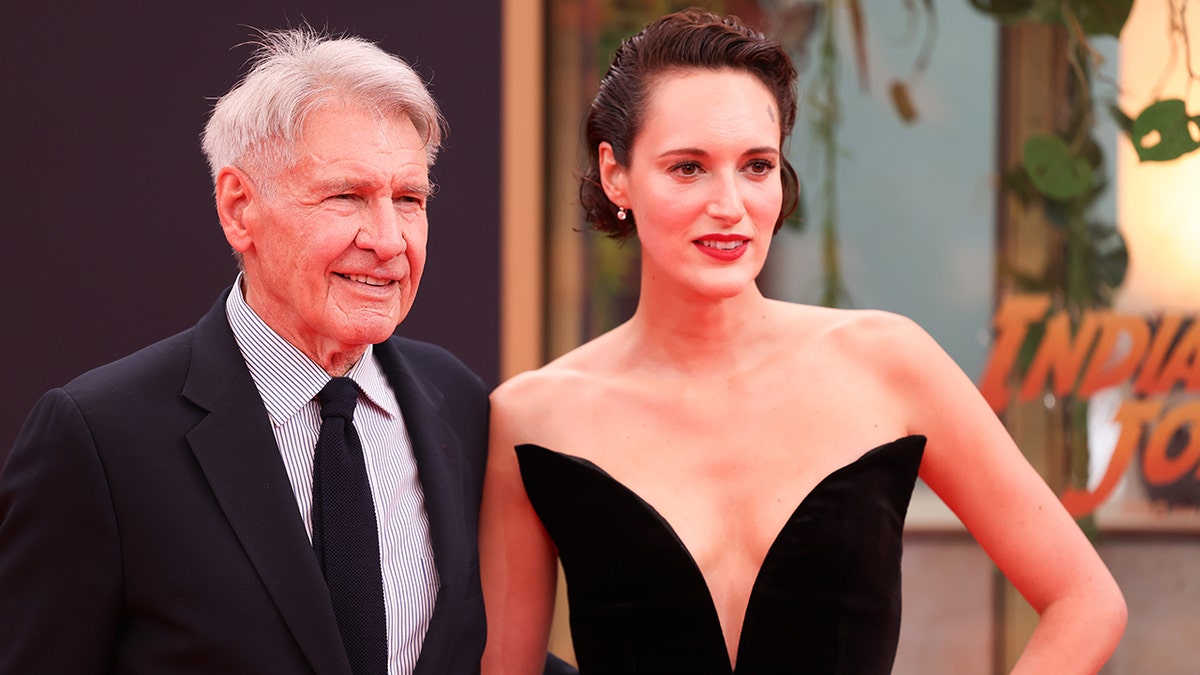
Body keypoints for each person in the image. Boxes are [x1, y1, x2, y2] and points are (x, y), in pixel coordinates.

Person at [479, 8, 1126, 674]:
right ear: (616, 175)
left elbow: (1085, 599)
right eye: (687, 168)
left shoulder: (888, 363)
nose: (729, 203)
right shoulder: (532, 418)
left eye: (756, 166)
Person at [0, 28, 487, 674]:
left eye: (409, 199)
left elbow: (489, 649)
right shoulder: (99, 439)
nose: (389, 239)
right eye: (347, 195)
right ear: (239, 208)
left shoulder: (458, 403)